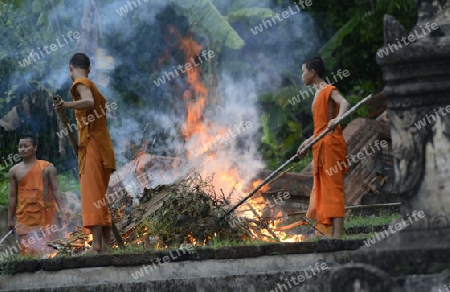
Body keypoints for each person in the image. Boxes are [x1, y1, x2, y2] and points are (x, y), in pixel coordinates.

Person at [54, 53, 116, 254]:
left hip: (93, 146)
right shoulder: (91, 84)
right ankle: (105, 246)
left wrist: (66, 105)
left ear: (70, 68)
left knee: (91, 195)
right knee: (99, 196)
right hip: (103, 148)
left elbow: (88, 102)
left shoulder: (80, 83)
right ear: (89, 68)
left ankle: (97, 246)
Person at [297, 56, 350, 239]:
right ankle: (326, 233)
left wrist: (338, 118)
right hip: (320, 144)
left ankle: (337, 235)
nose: (302, 76)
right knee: (323, 190)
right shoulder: (317, 93)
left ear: (313, 73)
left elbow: (344, 103)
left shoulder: (328, 89)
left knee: (333, 189)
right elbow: (321, 127)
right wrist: (308, 141)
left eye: (303, 72)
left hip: (330, 145)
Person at [7, 135, 66, 256]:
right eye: (20, 147)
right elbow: (12, 196)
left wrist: (64, 210)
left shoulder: (47, 167)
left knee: (48, 251)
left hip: (45, 215)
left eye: (26, 146)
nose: (22, 149)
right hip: (25, 216)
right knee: (27, 254)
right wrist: (10, 219)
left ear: (35, 148)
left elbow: (56, 189)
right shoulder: (14, 170)